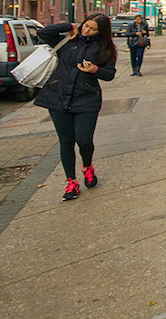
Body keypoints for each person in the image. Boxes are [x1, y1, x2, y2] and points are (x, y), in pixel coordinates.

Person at [34, 13, 117, 201]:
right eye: (85, 26)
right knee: (66, 141)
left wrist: (94, 70)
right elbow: (43, 32)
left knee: (84, 140)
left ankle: (87, 166)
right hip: (58, 96)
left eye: (92, 29)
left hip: (86, 99)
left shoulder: (104, 48)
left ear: (101, 32)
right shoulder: (67, 40)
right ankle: (71, 181)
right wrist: (69, 25)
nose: (87, 30)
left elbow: (110, 74)